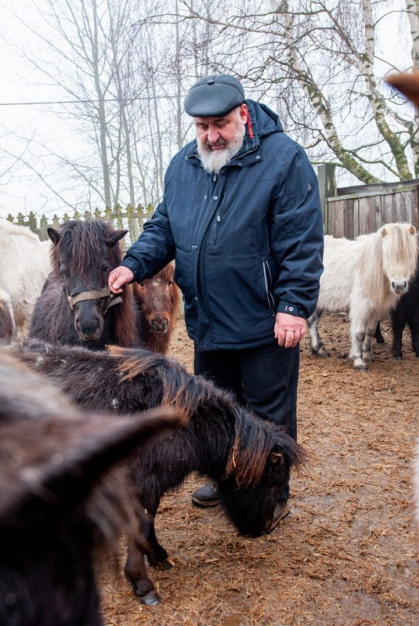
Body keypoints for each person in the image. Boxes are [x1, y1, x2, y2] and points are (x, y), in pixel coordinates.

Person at [107, 73, 324, 524]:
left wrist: (293, 306)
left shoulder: (283, 160)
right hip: (209, 321)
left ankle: (271, 494)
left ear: (243, 114)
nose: (211, 136)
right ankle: (229, 481)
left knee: (267, 415)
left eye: (220, 124)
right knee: (216, 411)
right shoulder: (184, 165)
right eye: (202, 127)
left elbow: (302, 241)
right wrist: (134, 264)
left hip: (265, 321)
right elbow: (164, 227)